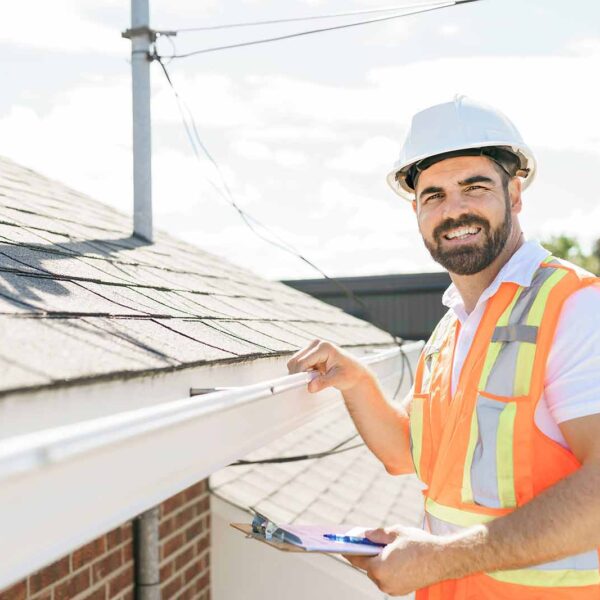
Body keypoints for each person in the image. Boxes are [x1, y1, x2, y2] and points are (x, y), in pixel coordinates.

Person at [287, 96, 600, 599]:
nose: (453, 210)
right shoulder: (453, 328)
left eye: (473, 188)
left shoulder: (576, 309)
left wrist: (440, 556)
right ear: (417, 210)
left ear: (514, 194)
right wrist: (355, 380)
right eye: (434, 195)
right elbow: (405, 453)